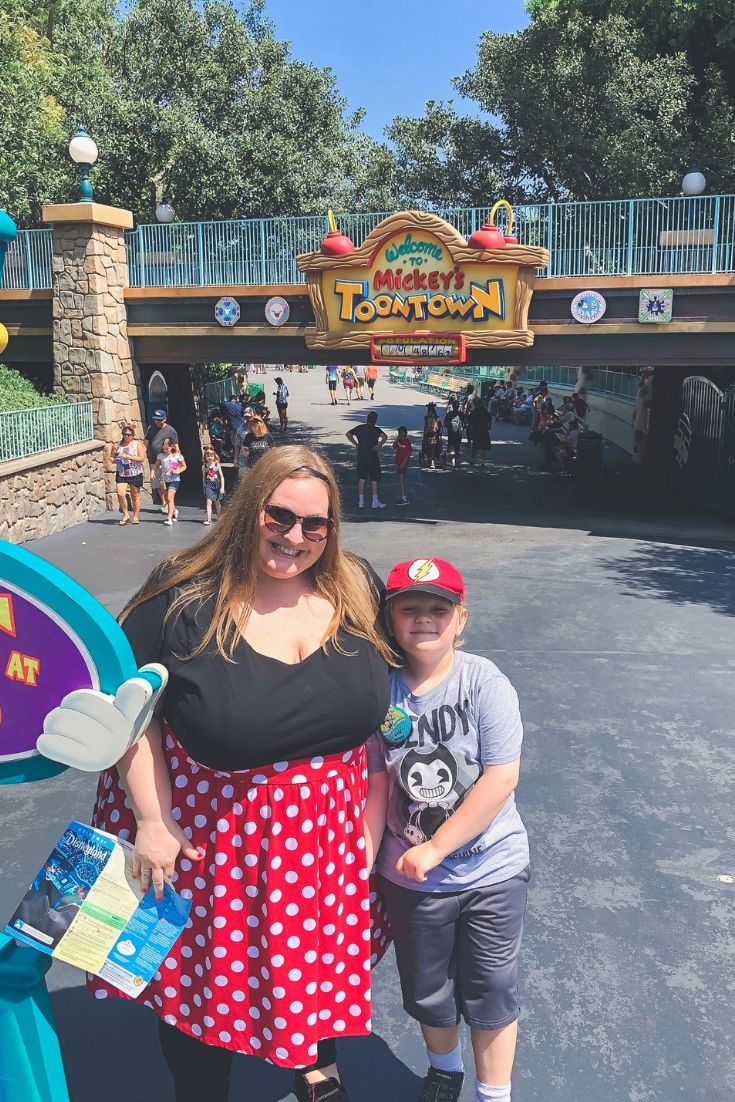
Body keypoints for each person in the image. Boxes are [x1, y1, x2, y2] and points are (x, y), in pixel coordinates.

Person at [87, 446, 395, 1102]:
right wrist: (150, 818)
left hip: (328, 843)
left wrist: (379, 827)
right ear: (246, 508)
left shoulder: (356, 586)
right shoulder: (182, 595)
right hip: (210, 842)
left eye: (316, 525)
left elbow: (403, 691)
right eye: (278, 516)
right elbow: (127, 709)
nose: (295, 537)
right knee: (200, 996)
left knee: (312, 978)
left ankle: (316, 1074)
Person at [369, 557, 530, 1102]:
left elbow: (501, 776)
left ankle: (494, 1094)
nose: (423, 620)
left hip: (491, 870)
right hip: (411, 877)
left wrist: (438, 846)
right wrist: (366, 858)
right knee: (429, 991)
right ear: (389, 619)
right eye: (408, 609)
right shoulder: (380, 691)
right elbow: (376, 784)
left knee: (490, 990)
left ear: (461, 619)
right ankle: (445, 1068)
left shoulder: (483, 681)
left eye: (438, 609)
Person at [345, 410, 387, 510]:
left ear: (367, 419)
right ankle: (375, 501)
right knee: (374, 479)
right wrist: (379, 445)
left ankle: (361, 501)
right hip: (373, 457)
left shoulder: (360, 428)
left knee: (362, 478)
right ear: (375, 420)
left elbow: (348, 434)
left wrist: (356, 444)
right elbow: (385, 437)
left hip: (362, 456)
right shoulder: (376, 430)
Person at [109, 423, 145, 525]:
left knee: (135, 496)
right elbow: (111, 457)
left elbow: (142, 458)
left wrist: (127, 456)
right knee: (120, 493)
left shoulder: (137, 444)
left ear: (132, 435)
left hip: (134, 473)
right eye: (124, 434)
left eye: (128, 435)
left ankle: (136, 516)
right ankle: (125, 514)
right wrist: (114, 460)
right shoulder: (117, 445)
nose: (126, 436)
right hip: (122, 472)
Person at [145, 409, 179, 508]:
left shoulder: (171, 431)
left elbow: (176, 447)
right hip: (154, 460)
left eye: (159, 420)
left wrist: (177, 461)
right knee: (159, 483)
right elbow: (145, 444)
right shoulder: (151, 428)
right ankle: (164, 503)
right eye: (155, 420)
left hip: (167, 461)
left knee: (168, 483)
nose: (157, 422)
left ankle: (169, 502)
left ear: (164, 419)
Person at [153, 439, 186, 525]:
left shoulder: (177, 455)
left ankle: (169, 518)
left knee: (169, 497)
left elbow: (184, 466)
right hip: (165, 479)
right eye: (164, 446)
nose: (165, 448)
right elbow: (156, 465)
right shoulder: (160, 456)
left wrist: (178, 471)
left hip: (175, 479)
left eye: (167, 447)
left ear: (172, 447)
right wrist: (152, 472)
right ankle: (174, 511)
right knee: (168, 499)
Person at [235, 413, 275, 480]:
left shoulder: (267, 436)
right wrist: (244, 452)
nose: (254, 429)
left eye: (255, 427)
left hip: (265, 465)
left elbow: (273, 449)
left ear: (260, 426)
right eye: (252, 427)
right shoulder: (248, 436)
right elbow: (244, 449)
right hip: (251, 466)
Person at [202, 445, 225, 524]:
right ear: (205, 457)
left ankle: (219, 516)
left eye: (211, 456)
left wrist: (222, 487)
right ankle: (208, 519)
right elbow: (204, 477)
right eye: (208, 456)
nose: (209, 458)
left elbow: (221, 477)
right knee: (209, 501)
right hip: (209, 485)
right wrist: (204, 486)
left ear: (214, 456)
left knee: (217, 502)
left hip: (217, 484)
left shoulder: (217, 465)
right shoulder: (204, 466)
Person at [467, 399, 492, 469]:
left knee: (475, 445)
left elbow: (469, 422)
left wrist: (470, 430)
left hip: (476, 430)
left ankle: (472, 460)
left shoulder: (474, 412)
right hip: (484, 430)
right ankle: (483, 462)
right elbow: (490, 419)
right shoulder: (485, 411)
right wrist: (489, 427)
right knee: (483, 446)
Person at [393, 426, 412, 505]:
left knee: (401, 480)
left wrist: (403, 463)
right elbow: (394, 447)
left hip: (403, 462)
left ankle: (404, 498)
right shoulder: (399, 441)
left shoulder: (407, 442)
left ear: (404, 433)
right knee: (400, 480)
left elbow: (408, 453)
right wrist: (397, 440)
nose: (399, 434)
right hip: (399, 461)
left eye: (400, 432)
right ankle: (403, 496)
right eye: (398, 433)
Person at [444, 400, 464, 470]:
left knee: (451, 446)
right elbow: (466, 423)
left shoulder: (449, 414)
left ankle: (452, 462)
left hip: (451, 432)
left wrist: (449, 426)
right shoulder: (461, 414)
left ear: (452, 406)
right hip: (459, 432)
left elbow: (445, 424)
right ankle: (456, 461)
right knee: (457, 447)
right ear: (458, 407)